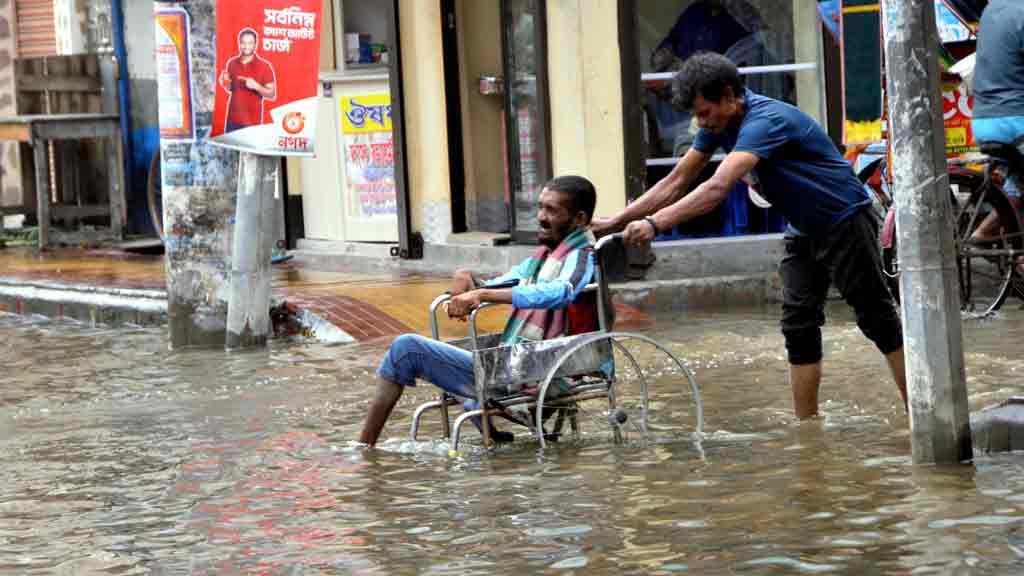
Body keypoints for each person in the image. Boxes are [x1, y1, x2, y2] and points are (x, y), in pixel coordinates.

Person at [592, 53, 908, 418]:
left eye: (705, 112)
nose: (702, 122)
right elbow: (676, 180)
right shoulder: (718, 125)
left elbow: (717, 187)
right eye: (697, 116)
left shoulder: (765, 120)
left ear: (729, 95)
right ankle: (807, 427)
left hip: (844, 220)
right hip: (803, 227)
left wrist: (655, 224)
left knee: (877, 319)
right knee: (798, 324)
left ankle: (919, 411)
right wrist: (616, 221)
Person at [359, 175, 600, 446]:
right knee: (419, 350)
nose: (541, 217)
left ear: (579, 219)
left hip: (543, 373)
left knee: (406, 349)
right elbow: (500, 282)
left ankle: (363, 448)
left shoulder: (582, 256)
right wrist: (466, 282)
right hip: (522, 367)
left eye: (552, 210)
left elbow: (563, 291)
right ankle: (495, 439)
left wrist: (483, 294)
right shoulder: (543, 259)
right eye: (540, 207)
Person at [969, 0, 1024, 242]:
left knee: (1018, 180)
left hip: (983, 121)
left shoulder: (991, 10)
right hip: (1015, 120)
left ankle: (985, 233)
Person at [219, 28, 277, 133]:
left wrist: (256, 86)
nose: (246, 46)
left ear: (255, 44)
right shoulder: (231, 63)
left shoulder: (265, 66)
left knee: (250, 149)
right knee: (231, 149)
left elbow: (272, 94)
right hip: (232, 118)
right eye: (243, 43)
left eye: (250, 43)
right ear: (239, 43)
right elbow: (232, 89)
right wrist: (225, 83)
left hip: (252, 122)